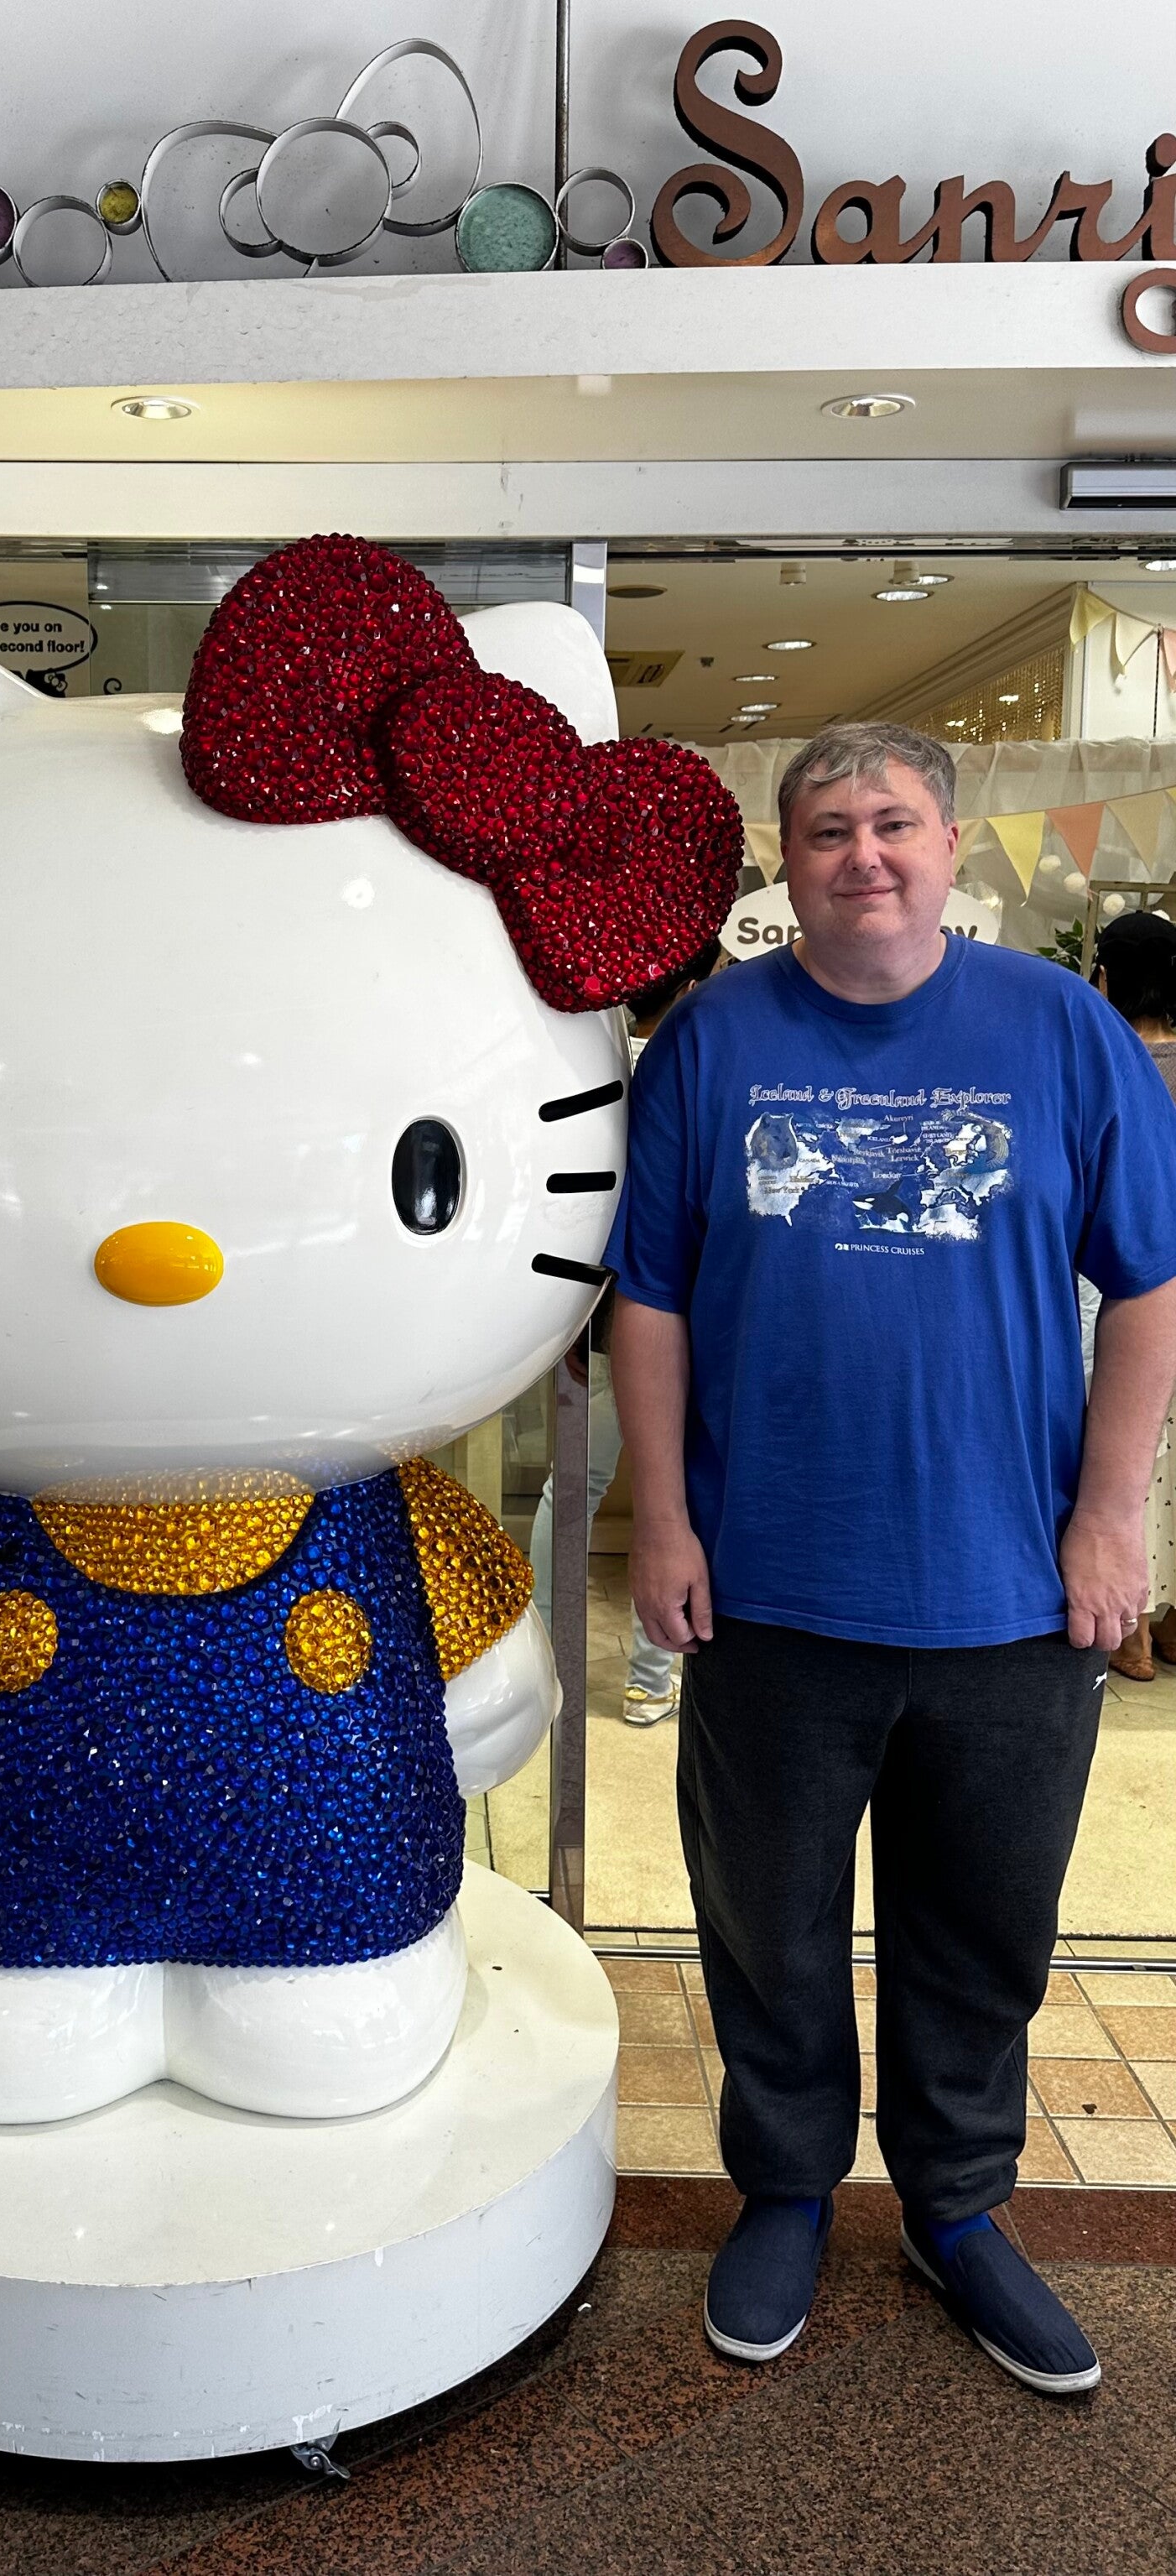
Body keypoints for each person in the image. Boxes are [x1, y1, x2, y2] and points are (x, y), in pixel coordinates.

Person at [605, 720, 1176, 2398]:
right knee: (769, 1924)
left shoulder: (1060, 1027)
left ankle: (959, 2203)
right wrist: (665, 1517)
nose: (865, 852)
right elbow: (649, 1295)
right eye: (830, 828)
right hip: (772, 1582)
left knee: (983, 1924)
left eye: (897, 822)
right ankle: (787, 2187)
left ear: (948, 845)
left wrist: (1112, 1514)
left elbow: (1149, 1284)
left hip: (1011, 1589)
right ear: (789, 864)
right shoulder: (713, 1039)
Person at [528, 941, 723, 1728]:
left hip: (604, 1315)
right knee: (678, 1499)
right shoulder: (701, 1064)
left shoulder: (592, 1063)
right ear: (695, 980)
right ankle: (651, 1674)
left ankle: (547, 1653)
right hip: (697, 1314)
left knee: (572, 1485)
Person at [1087, 910, 1176, 1678]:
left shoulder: (1102, 1059)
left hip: (1128, 1279)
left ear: (1106, 975)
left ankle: (1132, 1629)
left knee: (1126, 1446)